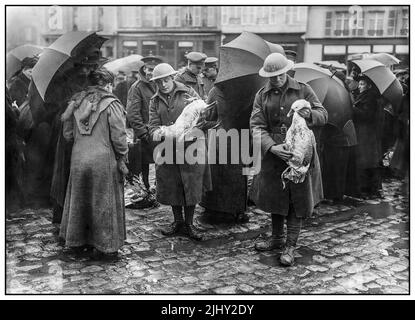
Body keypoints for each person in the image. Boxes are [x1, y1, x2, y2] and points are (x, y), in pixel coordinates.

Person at [250, 53, 328, 266]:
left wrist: (309, 114)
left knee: (297, 201)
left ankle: (290, 245)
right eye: (271, 76)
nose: (276, 79)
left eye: (279, 74)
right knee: (276, 198)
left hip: (300, 153)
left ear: (287, 71)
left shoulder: (303, 89)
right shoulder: (262, 95)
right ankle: (276, 239)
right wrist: (272, 147)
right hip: (274, 155)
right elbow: (256, 126)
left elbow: (323, 114)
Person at [59, 67, 128, 259]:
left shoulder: (76, 101)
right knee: (103, 201)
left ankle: (76, 243)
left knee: (80, 199)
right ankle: (106, 247)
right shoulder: (111, 104)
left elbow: (67, 135)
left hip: (79, 157)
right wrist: (122, 155)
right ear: (107, 84)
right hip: (103, 160)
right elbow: (119, 137)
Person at [148, 63, 211, 241]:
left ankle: (189, 223)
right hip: (168, 148)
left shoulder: (188, 93)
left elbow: (204, 114)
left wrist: (197, 127)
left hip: (191, 146)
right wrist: (159, 133)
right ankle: (177, 221)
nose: (163, 85)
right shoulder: (155, 100)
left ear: (172, 78)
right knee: (172, 184)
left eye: (166, 80)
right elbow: (152, 126)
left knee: (191, 184)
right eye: (159, 82)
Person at [49, 48, 105, 223]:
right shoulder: (68, 82)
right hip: (70, 134)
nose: (87, 70)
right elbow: (62, 111)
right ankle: (66, 215)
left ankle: (79, 215)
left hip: (84, 133)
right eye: (85, 66)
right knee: (67, 172)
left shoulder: (90, 80)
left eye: (91, 67)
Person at [199, 83, 250, 224]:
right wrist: (219, 124)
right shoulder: (215, 91)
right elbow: (205, 119)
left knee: (238, 177)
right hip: (219, 140)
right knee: (217, 175)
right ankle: (213, 209)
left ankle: (237, 210)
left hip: (240, 139)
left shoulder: (248, 90)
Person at [126, 55, 163, 191]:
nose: (149, 72)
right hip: (145, 134)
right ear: (144, 69)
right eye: (148, 69)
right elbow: (133, 114)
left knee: (161, 161)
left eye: (153, 70)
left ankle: (158, 187)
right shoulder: (137, 87)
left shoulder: (161, 85)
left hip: (160, 132)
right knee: (143, 164)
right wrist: (143, 133)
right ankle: (145, 189)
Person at [352, 75, 383, 199]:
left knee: (366, 161)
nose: (359, 86)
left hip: (366, 133)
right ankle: (369, 189)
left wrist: (353, 108)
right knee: (367, 161)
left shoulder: (370, 98)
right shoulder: (365, 96)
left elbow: (367, 115)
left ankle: (367, 189)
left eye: (362, 84)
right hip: (365, 132)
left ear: (369, 86)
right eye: (359, 84)